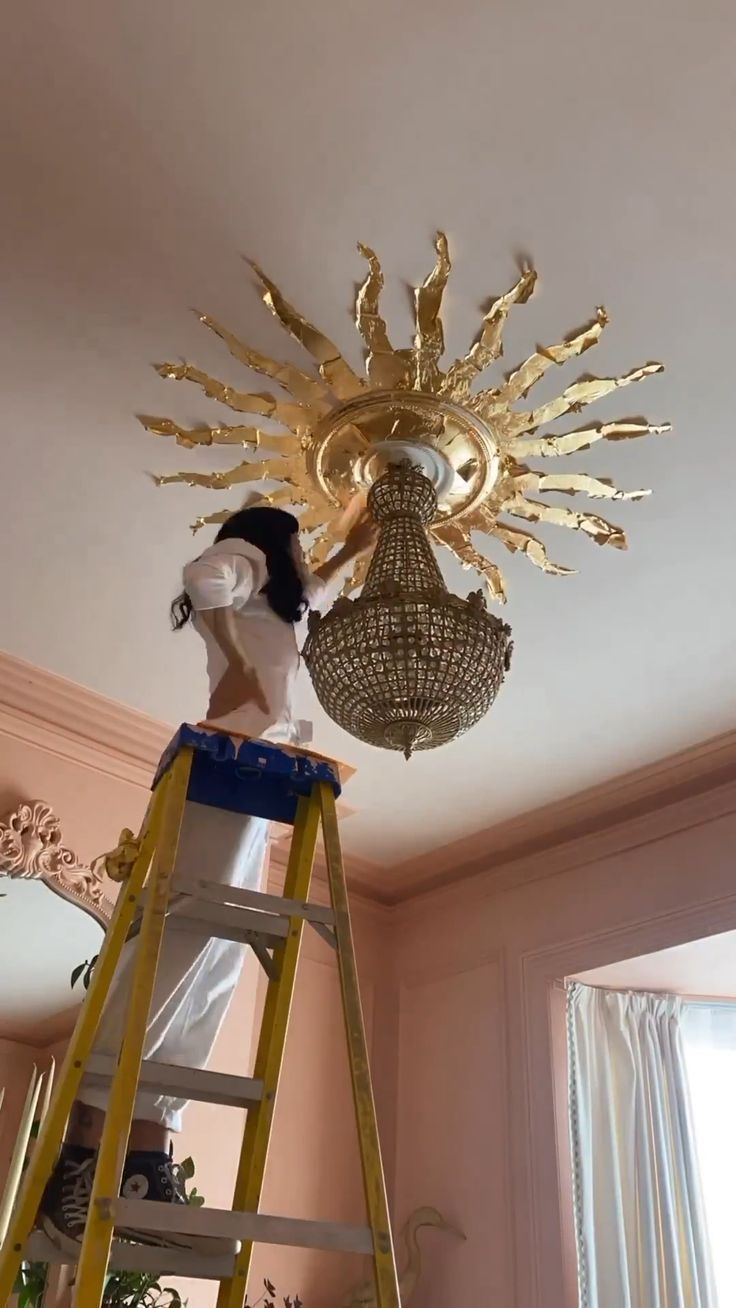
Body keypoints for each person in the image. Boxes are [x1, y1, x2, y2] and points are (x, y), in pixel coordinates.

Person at [39, 506, 375, 1255]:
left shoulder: (279, 595)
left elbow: (317, 588)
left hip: (262, 773)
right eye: (291, 537)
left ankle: (148, 1160)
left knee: (220, 964)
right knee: (184, 944)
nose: (297, 550)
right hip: (225, 762)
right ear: (267, 535)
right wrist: (242, 665)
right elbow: (203, 579)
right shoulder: (241, 560)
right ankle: (85, 1150)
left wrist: (360, 537)